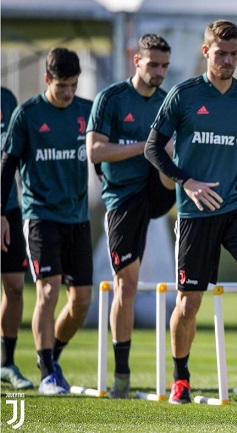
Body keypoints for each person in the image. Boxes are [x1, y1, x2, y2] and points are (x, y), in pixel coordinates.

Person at [144, 19, 237, 405]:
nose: (228, 60)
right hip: (195, 212)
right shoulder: (184, 95)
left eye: (234, 54)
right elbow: (153, 149)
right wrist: (186, 182)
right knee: (189, 303)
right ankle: (181, 377)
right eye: (221, 53)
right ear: (206, 52)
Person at [86, 34, 175, 399]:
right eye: (152, 64)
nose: (158, 72)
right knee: (127, 284)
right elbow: (94, 151)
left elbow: (171, 149)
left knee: (182, 167)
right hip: (122, 198)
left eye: (164, 66)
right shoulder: (111, 99)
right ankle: (122, 373)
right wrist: (146, 147)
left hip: (155, 190)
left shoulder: (168, 101)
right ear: (134, 60)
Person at [0, 48, 94, 395]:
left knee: (81, 301)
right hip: (40, 216)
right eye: (61, 86)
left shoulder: (87, 111)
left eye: (73, 85)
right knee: (48, 290)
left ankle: (51, 356)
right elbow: (7, 166)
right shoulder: (27, 115)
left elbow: (97, 158)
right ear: (46, 80)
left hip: (78, 218)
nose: (68, 93)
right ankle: (47, 372)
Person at [1, 86, 34, 390]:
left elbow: (11, 153)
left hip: (8, 207)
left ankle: (6, 362)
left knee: (14, 286)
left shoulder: (7, 98)